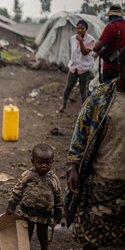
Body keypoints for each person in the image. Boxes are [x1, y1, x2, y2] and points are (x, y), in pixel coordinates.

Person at [66, 47, 125, 250]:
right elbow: (80, 132)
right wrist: (74, 166)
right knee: (91, 238)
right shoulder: (101, 96)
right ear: (120, 68)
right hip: (101, 182)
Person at [6, 143, 62, 250]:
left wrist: (58, 214)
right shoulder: (27, 176)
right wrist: (11, 206)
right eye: (40, 163)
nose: (44, 166)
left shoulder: (53, 179)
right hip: (28, 212)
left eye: (47, 163)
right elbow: (17, 191)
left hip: (44, 214)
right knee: (27, 234)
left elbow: (58, 197)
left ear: (52, 162)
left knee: (42, 235)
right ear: (33, 161)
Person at [59, 20, 95, 112]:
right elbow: (74, 53)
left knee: (83, 89)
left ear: (86, 29)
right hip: (74, 66)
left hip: (85, 68)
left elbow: (84, 52)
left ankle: (83, 109)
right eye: (78, 28)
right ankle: (64, 103)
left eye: (82, 28)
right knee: (69, 85)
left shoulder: (91, 40)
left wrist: (81, 41)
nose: (80, 30)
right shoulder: (73, 38)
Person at [93, 4, 125, 82]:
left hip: (111, 67)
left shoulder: (111, 27)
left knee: (109, 91)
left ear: (110, 16)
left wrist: (94, 48)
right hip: (124, 67)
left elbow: (97, 46)